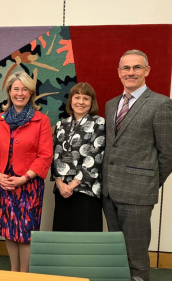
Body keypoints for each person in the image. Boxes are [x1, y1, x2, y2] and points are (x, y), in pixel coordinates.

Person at [102, 49, 172, 281]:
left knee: (136, 257)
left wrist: (149, 181)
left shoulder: (161, 104)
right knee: (116, 254)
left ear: (147, 71)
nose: (131, 72)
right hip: (109, 193)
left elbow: (171, 151)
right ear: (119, 73)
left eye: (137, 67)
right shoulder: (111, 104)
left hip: (138, 194)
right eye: (126, 68)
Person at [0, 71, 53, 272]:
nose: (20, 93)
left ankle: (24, 275)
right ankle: (13, 272)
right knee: (8, 229)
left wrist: (24, 179)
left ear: (31, 93)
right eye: (16, 89)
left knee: (25, 233)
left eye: (25, 89)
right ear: (9, 91)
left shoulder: (41, 120)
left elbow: (45, 156)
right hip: (4, 184)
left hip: (29, 185)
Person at [51, 82, 105, 232]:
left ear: (91, 102)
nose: (81, 102)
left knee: (84, 237)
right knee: (63, 234)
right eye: (77, 97)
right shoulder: (61, 124)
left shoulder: (98, 123)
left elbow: (96, 155)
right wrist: (60, 183)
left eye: (86, 98)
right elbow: (54, 156)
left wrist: (73, 184)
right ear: (71, 100)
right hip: (62, 190)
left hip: (85, 190)